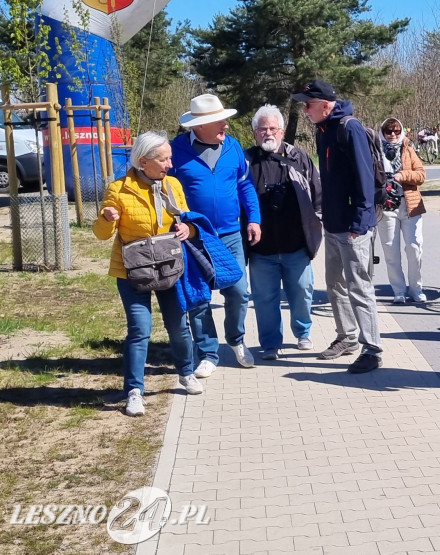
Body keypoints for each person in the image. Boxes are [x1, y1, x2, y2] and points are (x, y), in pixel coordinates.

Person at [93, 131, 203, 416]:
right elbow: (101, 234)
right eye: (164, 159)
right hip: (132, 271)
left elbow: (187, 220)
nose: (169, 163)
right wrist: (106, 218)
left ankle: (186, 373)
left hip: (168, 266)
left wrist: (186, 229)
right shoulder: (118, 188)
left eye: (170, 158)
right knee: (140, 330)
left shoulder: (173, 185)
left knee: (178, 325)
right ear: (144, 161)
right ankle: (134, 391)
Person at [294, 80, 382, 373]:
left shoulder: (349, 128)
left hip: (353, 227)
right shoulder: (323, 130)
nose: (305, 110)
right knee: (335, 284)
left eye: (308, 104)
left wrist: (359, 222)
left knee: (360, 288)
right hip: (333, 224)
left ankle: (373, 350)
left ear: (325, 104)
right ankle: (347, 338)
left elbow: (365, 179)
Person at [170, 94, 261, 377]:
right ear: (200, 125)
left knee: (238, 290)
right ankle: (208, 352)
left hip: (231, 234)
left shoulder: (233, 148)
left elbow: (245, 187)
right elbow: (163, 190)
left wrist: (254, 219)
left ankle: (235, 339)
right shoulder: (175, 152)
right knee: (198, 298)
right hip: (194, 237)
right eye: (219, 121)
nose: (226, 126)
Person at [246, 105, 322, 361]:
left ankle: (303, 332)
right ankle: (270, 343)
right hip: (261, 247)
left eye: (272, 128)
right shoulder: (246, 161)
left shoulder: (298, 156)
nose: (268, 133)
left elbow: (316, 192)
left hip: (296, 244)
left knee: (302, 291)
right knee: (264, 299)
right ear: (255, 133)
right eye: (262, 129)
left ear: (281, 131)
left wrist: (317, 227)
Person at [378, 117, 427, 304]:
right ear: (382, 132)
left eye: (397, 131)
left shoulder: (407, 148)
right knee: (391, 252)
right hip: (386, 207)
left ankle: (416, 289)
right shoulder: (375, 151)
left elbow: (421, 174)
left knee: (414, 249)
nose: (392, 135)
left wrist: (401, 175)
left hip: (410, 207)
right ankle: (398, 291)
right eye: (388, 131)